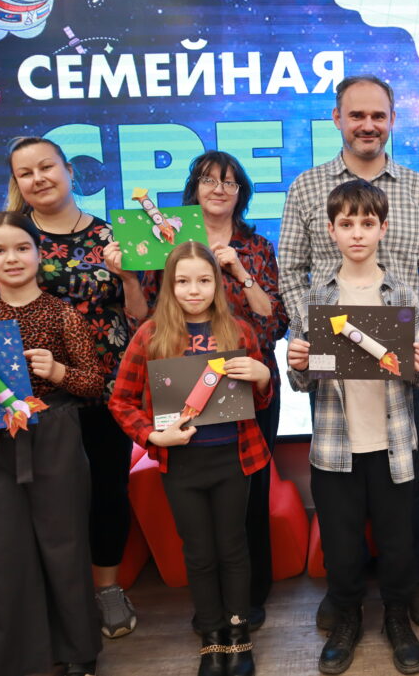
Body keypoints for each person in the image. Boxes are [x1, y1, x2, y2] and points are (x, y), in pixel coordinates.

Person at [0, 136, 142, 638]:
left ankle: (107, 590)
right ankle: (55, 604)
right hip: (28, 400)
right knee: (42, 504)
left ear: (70, 171)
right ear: (16, 182)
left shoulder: (111, 235)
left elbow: (141, 314)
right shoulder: (7, 236)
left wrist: (129, 276)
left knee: (108, 489)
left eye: (47, 167)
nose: (38, 178)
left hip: (104, 387)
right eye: (25, 172)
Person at [279, 74, 419, 627]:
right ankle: (344, 594)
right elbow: (290, 269)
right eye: (357, 115)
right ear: (337, 119)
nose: (368, 125)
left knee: (409, 479)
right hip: (335, 370)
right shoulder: (308, 187)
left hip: (400, 369)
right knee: (340, 484)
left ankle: (412, 583)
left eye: (378, 115)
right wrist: (311, 338)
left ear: (392, 120)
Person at [0, 212, 104, 676]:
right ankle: (9, 657)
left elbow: (95, 383)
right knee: (1, 550)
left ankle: (78, 652)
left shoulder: (62, 313)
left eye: (21, 247)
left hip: (54, 435)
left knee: (64, 545)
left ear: (38, 253)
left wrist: (59, 372)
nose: (11, 258)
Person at [286, 180, 419, 675]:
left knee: (397, 542)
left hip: (392, 444)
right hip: (336, 447)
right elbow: (302, 380)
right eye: (346, 223)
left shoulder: (401, 292)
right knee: (341, 544)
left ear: (382, 229)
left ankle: (397, 617)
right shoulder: (318, 296)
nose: (356, 233)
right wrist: (298, 362)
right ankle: (347, 617)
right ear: (330, 231)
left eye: (367, 223)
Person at [109, 241, 272, 675]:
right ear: (170, 285)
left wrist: (262, 377)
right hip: (181, 465)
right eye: (183, 281)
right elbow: (121, 400)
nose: (193, 290)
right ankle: (212, 636)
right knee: (198, 552)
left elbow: (260, 399)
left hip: (234, 459)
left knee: (233, 548)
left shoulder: (239, 331)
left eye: (203, 280)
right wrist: (152, 436)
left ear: (217, 284)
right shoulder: (151, 334)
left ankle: (238, 633)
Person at [140, 150, 287, 629]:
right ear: (194, 189)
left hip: (249, 380)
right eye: (208, 180)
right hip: (182, 385)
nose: (218, 189)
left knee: (251, 490)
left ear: (241, 192)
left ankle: (250, 594)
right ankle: (210, 604)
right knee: (196, 505)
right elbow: (146, 311)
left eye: (229, 181)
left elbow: (275, 322)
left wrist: (239, 272)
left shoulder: (257, 246)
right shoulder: (169, 240)